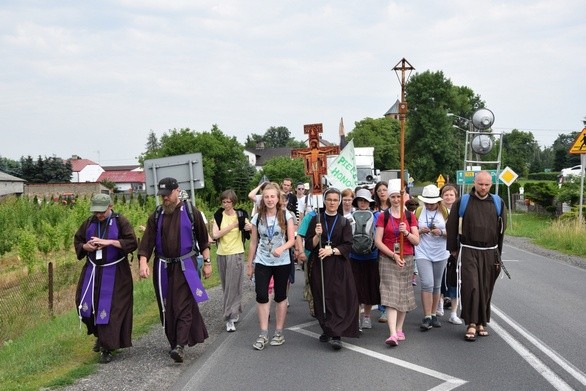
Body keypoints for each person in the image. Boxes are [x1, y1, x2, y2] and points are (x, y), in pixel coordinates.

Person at [138, 177, 212, 363]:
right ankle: (173, 342)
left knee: (182, 305)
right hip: (162, 267)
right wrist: (143, 262)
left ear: (177, 191)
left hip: (186, 266)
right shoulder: (157, 215)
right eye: (162, 196)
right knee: (166, 306)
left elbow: (204, 240)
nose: (165, 199)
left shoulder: (190, 212)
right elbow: (147, 242)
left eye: (168, 195)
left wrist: (208, 262)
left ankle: (180, 345)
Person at [74, 193, 138, 364]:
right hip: (93, 271)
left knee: (111, 310)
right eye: (96, 212)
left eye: (101, 211)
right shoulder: (89, 223)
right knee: (84, 305)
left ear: (110, 206)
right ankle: (99, 335)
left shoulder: (120, 221)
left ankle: (107, 348)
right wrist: (85, 247)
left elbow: (132, 242)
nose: (99, 215)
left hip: (116, 273)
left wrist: (109, 242)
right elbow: (78, 241)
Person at [446, 171, 506, 341]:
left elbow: (502, 231)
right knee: (471, 286)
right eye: (480, 184)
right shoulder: (463, 201)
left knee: (485, 288)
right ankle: (471, 323)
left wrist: (498, 256)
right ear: (475, 182)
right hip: (469, 250)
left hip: (490, 252)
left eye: (487, 184)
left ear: (491, 185)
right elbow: (451, 225)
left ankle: (482, 322)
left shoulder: (498, 203)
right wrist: (453, 249)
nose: (483, 187)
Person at [305, 187, 359, 350]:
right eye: (329, 200)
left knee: (337, 298)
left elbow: (348, 245)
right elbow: (308, 244)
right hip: (319, 265)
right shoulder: (316, 220)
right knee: (321, 296)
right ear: (324, 201)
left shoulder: (344, 222)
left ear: (339, 202)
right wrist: (316, 235)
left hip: (338, 265)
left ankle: (336, 333)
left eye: (335, 200)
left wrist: (332, 251)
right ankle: (327, 328)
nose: (332, 203)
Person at [246, 182, 296, 351]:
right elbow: (253, 242)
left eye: (272, 196)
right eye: (266, 197)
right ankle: (263, 333)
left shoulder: (286, 215)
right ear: (263, 199)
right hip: (262, 260)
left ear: (278, 198)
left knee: (280, 296)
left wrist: (282, 248)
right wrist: (249, 264)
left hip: (281, 261)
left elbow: (291, 239)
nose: (269, 200)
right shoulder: (257, 217)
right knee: (261, 295)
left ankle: (279, 333)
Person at [374, 179, 420, 347]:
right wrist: (393, 255)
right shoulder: (382, 216)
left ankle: (399, 329)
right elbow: (377, 241)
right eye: (392, 197)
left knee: (403, 295)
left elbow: (417, 241)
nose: (395, 200)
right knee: (390, 295)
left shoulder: (409, 216)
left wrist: (406, 232)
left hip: (407, 258)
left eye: (398, 197)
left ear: (403, 198)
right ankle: (392, 333)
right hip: (388, 259)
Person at [212, 189, 251, 332]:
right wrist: (233, 226)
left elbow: (251, 229)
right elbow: (215, 235)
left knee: (233, 286)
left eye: (229, 202)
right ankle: (235, 310)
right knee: (226, 286)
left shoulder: (240, 214)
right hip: (221, 254)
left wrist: (249, 227)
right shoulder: (218, 215)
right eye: (224, 202)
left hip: (236, 253)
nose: (226, 204)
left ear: (233, 202)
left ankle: (229, 317)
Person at [414, 185, 450, 331]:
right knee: (427, 283)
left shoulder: (445, 212)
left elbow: (453, 232)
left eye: (432, 203)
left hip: (441, 252)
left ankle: (434, 314)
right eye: (427, 203)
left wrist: (441, 232)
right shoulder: (418, 211)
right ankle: (427, 315)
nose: (429, 205)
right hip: (423, 251)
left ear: (438, 202)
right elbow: (411, 230)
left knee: (436, 284)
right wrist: (420, 231)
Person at [349, 188, 381, 331]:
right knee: (355, 290)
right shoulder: (349, 216)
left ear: (370, 202)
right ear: (356, 202)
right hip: (354, 257)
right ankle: (356, 320)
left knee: (369, 289)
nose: (362, 203)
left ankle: (366, 317)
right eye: (360, 200)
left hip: (371, 257)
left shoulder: (377, 216)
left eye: (365, 201)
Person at [438, 184, 462, 324]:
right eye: (446, 194)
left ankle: (454, 313)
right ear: (442, 196)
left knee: (455, 281)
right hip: (439, 250)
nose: (448, 197)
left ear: (456, 196)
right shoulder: (437, 211)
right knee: (440, 280)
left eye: (451, 195)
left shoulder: (460, 211)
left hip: (454, 251)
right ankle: (439, 304)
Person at [373, 181, 391, 323]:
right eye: (380, 190)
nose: (382, 192)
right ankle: (383, 309)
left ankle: (394, 306)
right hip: (378, 247)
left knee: (392, 279)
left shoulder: (395, 207)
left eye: (385, 190)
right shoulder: (373, 208)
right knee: (381, 279)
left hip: (393, 246)